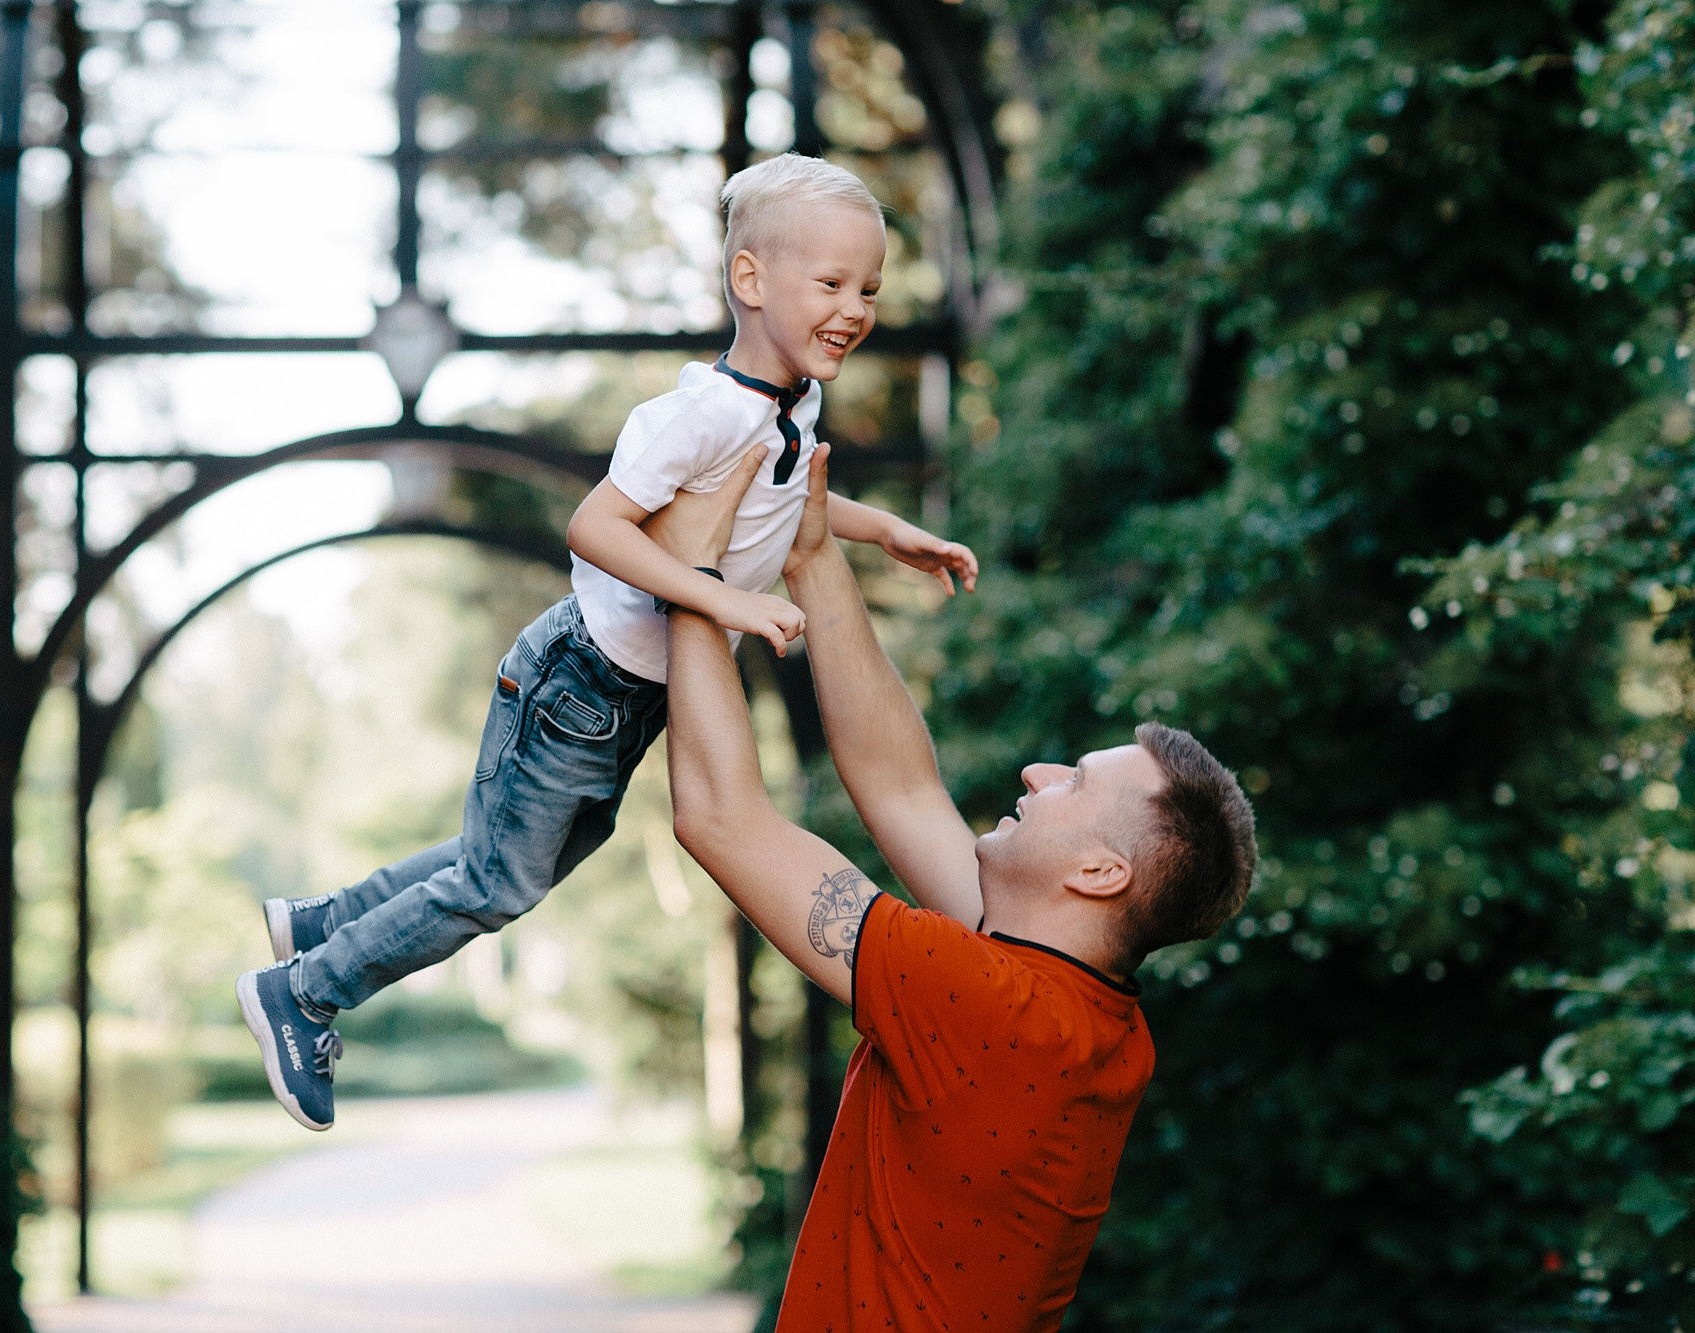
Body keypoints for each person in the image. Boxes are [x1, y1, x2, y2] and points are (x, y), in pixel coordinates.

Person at [236, 153, 980, 1131]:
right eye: (830, 283)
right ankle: (306, 990)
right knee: (500, 881)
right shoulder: (696, 413)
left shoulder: (785, 402)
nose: (854, 306)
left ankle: (324, 922)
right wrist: (724, 603)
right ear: (748, 281)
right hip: (578, 675)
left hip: (625, 690)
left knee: (540, 850)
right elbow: (596, 528)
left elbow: (780, 496)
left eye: (869, 288)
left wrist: (883, 529)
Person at [651, 442, 1258, 1331]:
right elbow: (901, 787)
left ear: (1099, 872)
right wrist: (814, 558)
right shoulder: (1080, 1016)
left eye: (1077, 781)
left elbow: (720, 818)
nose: (1039, 770)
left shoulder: (994, 1009)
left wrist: (694, 574)